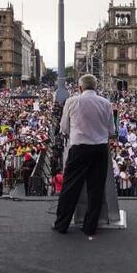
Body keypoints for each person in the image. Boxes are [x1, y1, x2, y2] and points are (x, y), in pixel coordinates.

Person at [53, 74, 116, 238]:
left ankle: (62, 224)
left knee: (70, 187)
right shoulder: (106, 103)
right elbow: (111, 130)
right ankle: (90, 226)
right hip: (100, 149)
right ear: (95, 87)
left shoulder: (72, 101)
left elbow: (64, 128)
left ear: (80, 88)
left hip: (79, 148)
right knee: (96, 189)